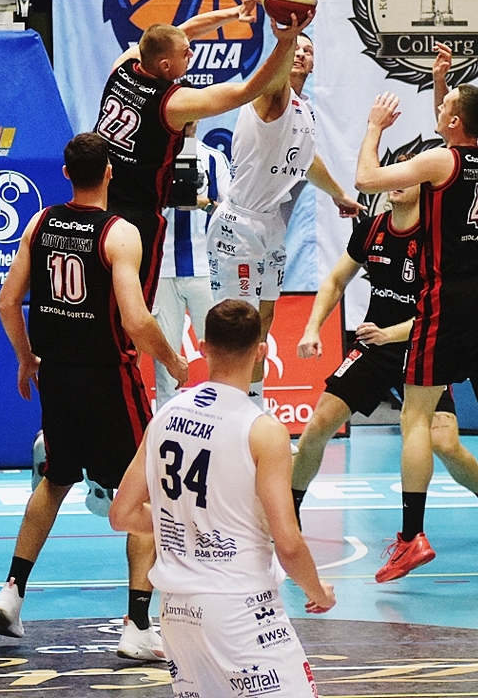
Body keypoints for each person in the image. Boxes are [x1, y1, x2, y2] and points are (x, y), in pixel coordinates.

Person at [0, 134, 187, 660]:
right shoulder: (119, 233)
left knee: (55, 480)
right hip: (108, 379)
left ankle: (11, 592)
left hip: (56, 375)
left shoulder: (40, 223)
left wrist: (26, 358)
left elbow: (7, 302)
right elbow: (136, 320)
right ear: (110, 172)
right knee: (147, 494)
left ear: (65, 173)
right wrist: (173, 361)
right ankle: (137, 625)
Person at [354, 79, 478, 580]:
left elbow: (366, 178)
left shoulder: (438, 163)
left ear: (453, 122)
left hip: (447, 298)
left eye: (443, 104)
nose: (440, 107)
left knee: (415, 418)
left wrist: (374, 127)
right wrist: (445, 86)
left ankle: (411, 538)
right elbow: (456, 131)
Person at [109, 299, 335, 698]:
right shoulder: (263, 431)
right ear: (261, 351)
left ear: (202, 346)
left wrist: (182, 524)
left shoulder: (165, 416)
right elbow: (287, 541)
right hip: (239, 608)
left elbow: (121, 514)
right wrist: (317, 591)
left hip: (176, 613)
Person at [293, 180, 478, 542]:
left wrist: (391, 333)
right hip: (375, 347)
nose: (396, 183)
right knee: (318, 425)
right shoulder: (371, 229)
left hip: (426, 346)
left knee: (445, 444)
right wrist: (312, 328)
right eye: (393, 177)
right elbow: (336, 281)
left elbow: (445, 313)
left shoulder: (441, 240)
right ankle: (289, 513)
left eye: (407, 178)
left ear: (427, 189)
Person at [97, 0, 304, 306]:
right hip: (137, 215)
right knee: (132, 306)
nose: (191, 53)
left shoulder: (125, 64)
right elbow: (248, 90)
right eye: (186, 53)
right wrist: (285, 42)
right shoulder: (173, 103)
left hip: (101, 203)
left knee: (102, 300)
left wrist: (235, 14)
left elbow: (184, 31)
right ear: (166, 66)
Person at [208, 30, 362, 401]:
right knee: (236, 325)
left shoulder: (304, 108)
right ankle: (225, 405)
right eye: (297, 48)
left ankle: (253, 404)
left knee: (263, 320)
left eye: (308, 50)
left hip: (271, 225)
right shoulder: (269, 94)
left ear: (313, 64)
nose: (301, 53)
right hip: (238, 225)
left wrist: (339, 194)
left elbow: (307, 160)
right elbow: (277, 72)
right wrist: (287, 36)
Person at [153, 122, 229, 408]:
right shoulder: (153, 159)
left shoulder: (214, 159)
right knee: (166, 359)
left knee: (221, 351)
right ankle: (166, 418)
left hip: (205, 268)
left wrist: (204, 204)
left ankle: (223, 414)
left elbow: (231, 209)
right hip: (162, 269)